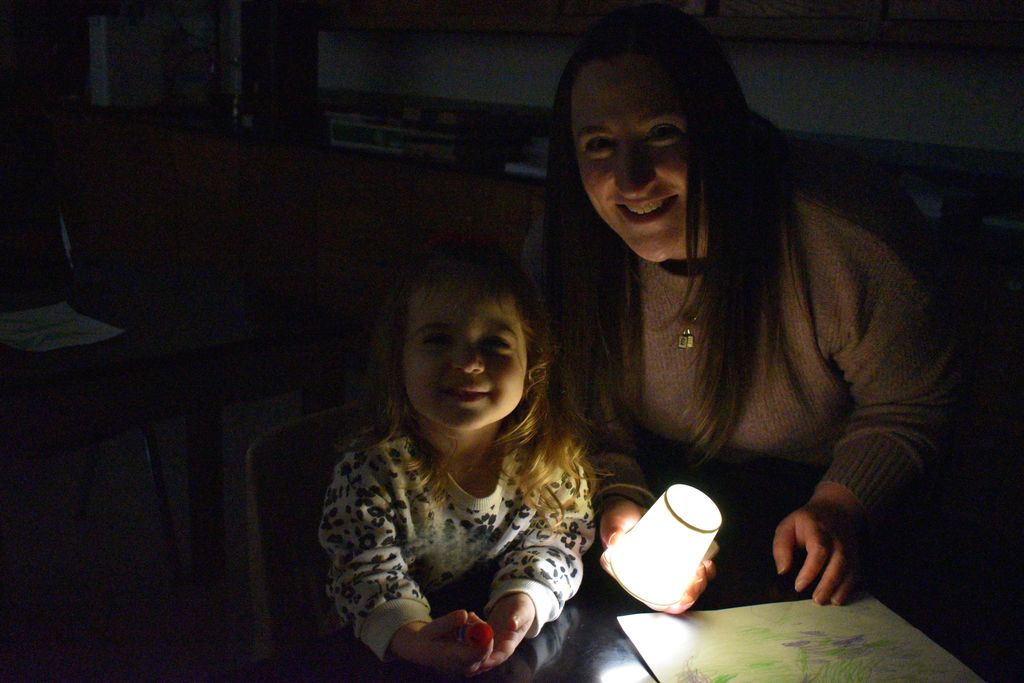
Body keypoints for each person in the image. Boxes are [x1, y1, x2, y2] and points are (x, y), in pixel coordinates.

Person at [530, 2, 956, 613]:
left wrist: (840, 503)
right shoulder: (563, 249)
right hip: (663, 483)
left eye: (662, 133)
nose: (631, 178)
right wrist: (619, 500)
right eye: (600, 144)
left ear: (719, 130)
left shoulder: (844, 242)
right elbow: (586, 411)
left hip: (830, 506)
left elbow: (909, 402)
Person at [318, 243, 595, 677]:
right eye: (438, 339)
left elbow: (558, 543)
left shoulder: (548, 462)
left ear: (532, 363)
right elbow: (363, 573)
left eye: (494, 343)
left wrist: (522, 600)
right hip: (382, 660)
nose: (467, 362)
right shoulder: (371, 473)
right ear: (399, 358)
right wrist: (409, 634)